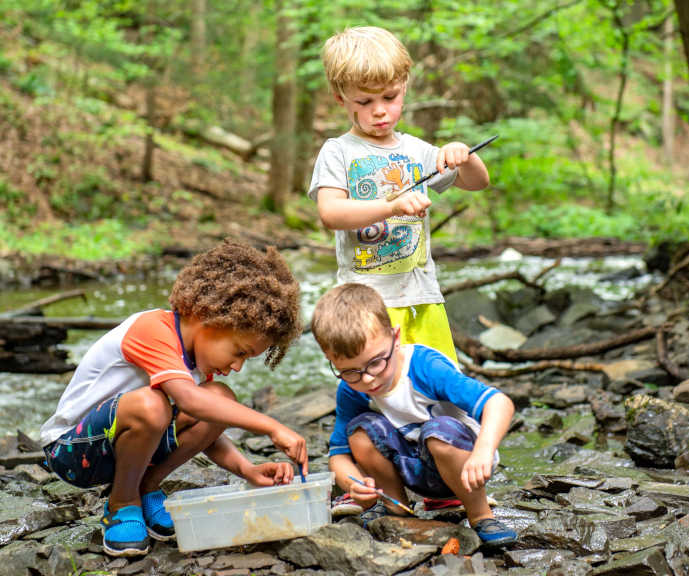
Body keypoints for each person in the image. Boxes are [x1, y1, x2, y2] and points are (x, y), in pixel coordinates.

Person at [308, 25, 491, 515]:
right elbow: (332, 213)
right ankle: (379, 483)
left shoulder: (415, 151)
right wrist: (389, 207)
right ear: (340, 96)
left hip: (421, 296)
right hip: (365, 304)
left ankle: (451, 479)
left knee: (442, 392)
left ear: (405, 86)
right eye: (365, 102)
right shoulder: (339, 152)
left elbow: (478, 181)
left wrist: (461, 155)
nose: (380, 111)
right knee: (371, 390)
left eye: (389, 97)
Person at [40, 240, 308, 557]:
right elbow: (190, 402)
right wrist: (271, 426)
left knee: (219, 397)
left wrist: (246, 469)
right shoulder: (152, 329)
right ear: (209, 315)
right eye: (239, 352)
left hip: (124, 450)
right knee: (153, 406)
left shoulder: (197, 366)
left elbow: (208, 424)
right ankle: (121, 504)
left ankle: (144, 488)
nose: (236, 366)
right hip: (72, 451)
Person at [310, 283, 517, 548]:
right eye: (350, 371)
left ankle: (481, 515)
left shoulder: (425, 367)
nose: (368, 378)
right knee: (360, 432)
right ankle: (396, 507)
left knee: (438, 432)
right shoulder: (352, 390)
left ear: (396, 339)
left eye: (376, 362)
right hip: (411, 468)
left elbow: (499, 403)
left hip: (463, 466)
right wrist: (352, 482)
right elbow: (338, 455)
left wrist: (484, 452)